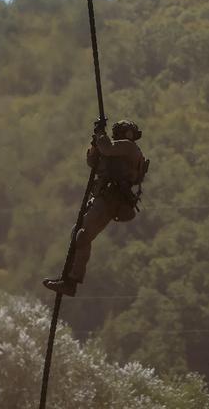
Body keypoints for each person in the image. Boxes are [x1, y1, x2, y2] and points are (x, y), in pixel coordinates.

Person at [43, 119, 148, 297]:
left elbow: (106, 147)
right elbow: (93, 161)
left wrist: (101, 135)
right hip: (102, 198)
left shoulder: (129, 148)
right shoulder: (115, 151)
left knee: (83, 235)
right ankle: (69, 279)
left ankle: (71, 281)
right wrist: (95, 141)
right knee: (78, 233)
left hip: (111, 199)